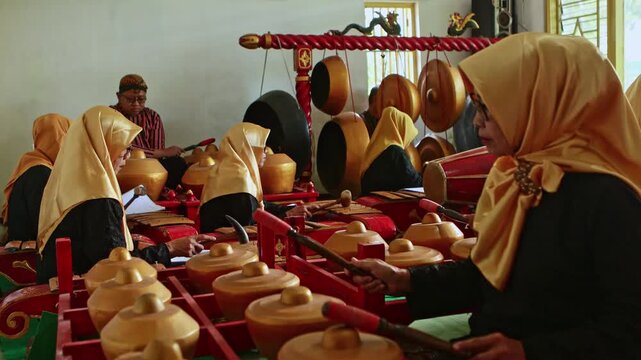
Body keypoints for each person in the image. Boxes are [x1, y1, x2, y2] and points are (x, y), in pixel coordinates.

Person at [350, 33, 641, 359]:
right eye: (477, 107)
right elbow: (486, 276)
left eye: (489, 109)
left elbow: (628, 330)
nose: (476, 122)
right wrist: (405, 279)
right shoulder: (518, 178)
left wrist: (527, 351)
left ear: (539, 105)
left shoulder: (611, 202)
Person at [36, 106, 211, 284]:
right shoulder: (99, 199)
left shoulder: (69, 182)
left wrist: (139, 244)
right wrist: (170, 248)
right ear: (104, 146)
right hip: (79, 291)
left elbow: (97, 243)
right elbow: (115, 265)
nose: (128, 157)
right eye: (125, 149)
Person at [199, 123, 316, 233]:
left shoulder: (222, 172)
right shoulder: (239, 179)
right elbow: (250, 225)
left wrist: (289, 209)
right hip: (229, 246)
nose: (265, 152)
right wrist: (286, 215)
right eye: (261, 147)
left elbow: (257, 208)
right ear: (248, 150)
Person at [2, 114, 71, 244]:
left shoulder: (30, 164)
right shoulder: (41, 173)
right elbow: (47, 226)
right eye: (67, 139)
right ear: (58, 140)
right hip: (31, 256)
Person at [111, 74, 187, 188]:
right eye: (130, 99)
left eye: (141, 99)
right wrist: (164, 152)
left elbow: (158, 155)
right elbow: (123, 149)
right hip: (122, 166)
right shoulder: (111, 116)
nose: (136, 104)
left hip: (149, 167)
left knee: (177, 163)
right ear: (118, 96)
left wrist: (163, 153)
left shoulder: (152, 116)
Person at [359, 106, 422, 195]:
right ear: (401, 130)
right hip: (381, 206)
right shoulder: (394, 151)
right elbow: (414, 183)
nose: (408, 142)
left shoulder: (375, 150)